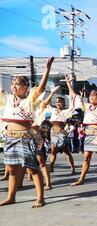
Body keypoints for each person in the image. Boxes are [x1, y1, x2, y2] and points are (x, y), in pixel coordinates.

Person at [0, 57, 54, 208]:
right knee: (11, 169)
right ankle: (11, 197)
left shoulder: (30, 99)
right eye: (13, 83)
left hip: (25, 138)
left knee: (32, 169)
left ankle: (40, 198)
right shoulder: (8, 99)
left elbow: (41, 88)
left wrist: (47, 69)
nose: (14, 86)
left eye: (18, 84)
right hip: (9, 138)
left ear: (26, 87)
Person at [48, 74, 79, 175]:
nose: (58, 103)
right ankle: (51, 167)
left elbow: (73, 100)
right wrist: (52, 92)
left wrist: (68, 83)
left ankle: (73, 168)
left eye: (60, 102)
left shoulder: (66, 112)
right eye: (57, 102)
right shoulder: (52, 110)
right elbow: (45, 103)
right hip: (53, 134)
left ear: (63, 104)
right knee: (52, 151)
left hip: (62, 134)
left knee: (67, 152)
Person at [31, 86, 60, 190]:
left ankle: (48, 183)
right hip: (27, 135)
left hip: (38, 136)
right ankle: (26, 179)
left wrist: (51, 93)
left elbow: (44, 102)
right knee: (29, 161)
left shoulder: (40, 109)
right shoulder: (26, 106)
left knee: (41, 161)